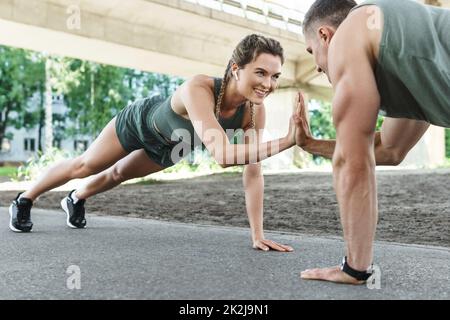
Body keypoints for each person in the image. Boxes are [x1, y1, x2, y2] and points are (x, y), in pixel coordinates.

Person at [9, 34, 297, 253]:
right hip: (141, 122)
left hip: (174, 147)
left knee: (117, 175)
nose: (269, 84)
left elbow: (252, 170)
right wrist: (287, 141)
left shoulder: (254, 112)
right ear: (236, 69)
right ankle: (25, 198)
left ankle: (75, 199)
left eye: (275, 76)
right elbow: (222, 154)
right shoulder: (201, 88)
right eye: (261, 72)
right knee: (87, 164)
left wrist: (257, 234)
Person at [294, 0, 450, 284]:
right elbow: (389, 149)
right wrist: (310, 144)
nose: (316, 67)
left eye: (310, 51)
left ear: (325, 36)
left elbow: (352, 163)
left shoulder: (351, 32)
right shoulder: (410, 51)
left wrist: (354, 268)